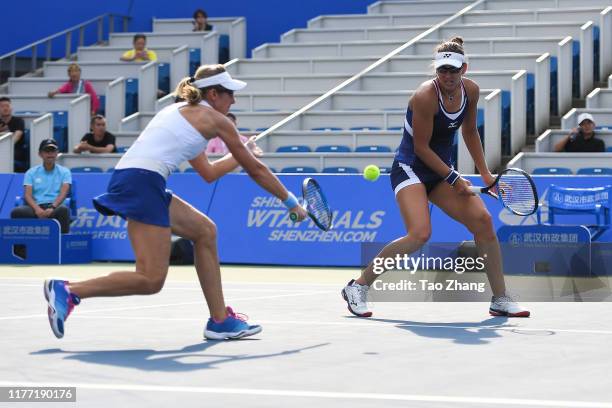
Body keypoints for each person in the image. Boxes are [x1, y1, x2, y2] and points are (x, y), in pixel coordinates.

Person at [43, 64, 308, 340]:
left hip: (138, 180)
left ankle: (219, 320)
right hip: (142, 182)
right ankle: (70, 291)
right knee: (150, 279)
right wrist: (290, 202)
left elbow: (208, 172)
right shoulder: (215, 120)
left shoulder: (180, 113)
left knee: (205, 231)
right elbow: (256, 170)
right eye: (230, 93)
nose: (234, 100)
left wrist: (243, 154)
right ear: (214, 94)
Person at [341, 37, 530, 318]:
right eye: (442, 70)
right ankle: (358, 286)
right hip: (410, 168)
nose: (448, 76)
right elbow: (420, 148)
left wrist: (485, 173)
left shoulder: (472, 91)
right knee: (419, 234)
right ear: (436, 70)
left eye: (453, 70)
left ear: (463, 69)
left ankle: (500, 298)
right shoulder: (424, 96)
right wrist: (455, 179)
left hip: (441, 171)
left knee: (484, 223)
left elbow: (469, 132)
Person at [11, 139, 71, 234]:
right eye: (46, 151)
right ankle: (20, 248)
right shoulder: (31, 172)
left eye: (52, 151)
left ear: (57, 153)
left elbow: (63, 193)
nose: (50, 154)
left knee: (63, 210)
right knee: (17, 212)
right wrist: (37, 209)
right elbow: (27, 195)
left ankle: (61, 245)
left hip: (55, 208)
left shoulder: (65, 172)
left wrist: (52, 207)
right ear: (40, 154)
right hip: (35, 208)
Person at [0, 97, 27, 172]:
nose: (5, 108)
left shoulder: (19, 121)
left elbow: (17, 136)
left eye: (7, 106)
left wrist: (5, 147)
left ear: (11, 108)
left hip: (15, 150)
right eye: (2, 106)